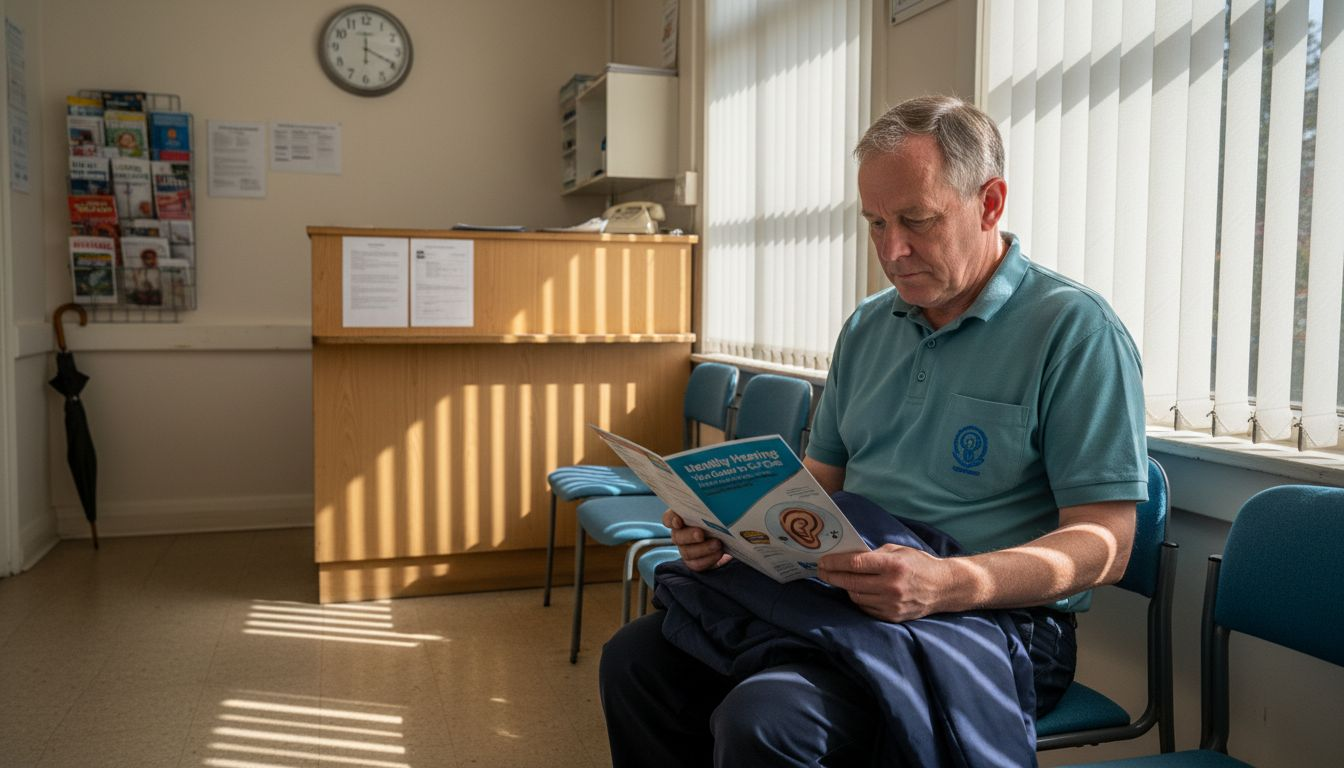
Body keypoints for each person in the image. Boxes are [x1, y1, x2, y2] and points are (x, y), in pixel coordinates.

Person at [599, 95, 1147, 767]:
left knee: (767, 719)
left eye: (917, 220)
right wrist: (728, 528)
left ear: (991, 202)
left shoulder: (1073, 330)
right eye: (876, 223)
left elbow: (1105, 545)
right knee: (635, 661)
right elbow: (818, 486)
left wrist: (947, 582)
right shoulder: (867, 327)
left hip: (992, 619)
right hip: (851, 595)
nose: (892, 250)